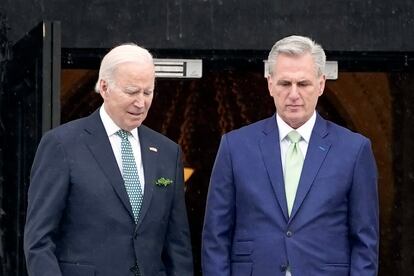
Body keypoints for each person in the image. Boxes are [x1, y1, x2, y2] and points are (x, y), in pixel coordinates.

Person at [202, 35, 379, 276]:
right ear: (270, 84)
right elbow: (216, 237)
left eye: (303, 84)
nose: (294, 94)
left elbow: (365, 243)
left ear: (321, 84)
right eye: (285, 84)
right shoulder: (235, 146)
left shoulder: (354, 150)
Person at [24, 43, 194, 276]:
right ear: (104, 87)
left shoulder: (168, 152)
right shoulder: (62, 145)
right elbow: (39, 240)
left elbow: (178, 245)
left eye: (148, 92)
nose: (141, 102)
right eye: (132, 91)